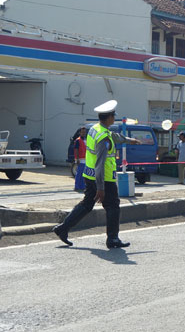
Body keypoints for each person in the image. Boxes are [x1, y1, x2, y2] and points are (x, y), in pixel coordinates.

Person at [53, 100, 141, 248]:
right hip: (103, 178)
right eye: (113, 116)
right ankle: (112, 239)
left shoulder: (96, 128)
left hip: (90, 175)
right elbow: (100, 163)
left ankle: (63, 228)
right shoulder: (103, 138)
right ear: (109, 118)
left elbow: (114, 136)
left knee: (87, 204)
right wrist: (100, 188)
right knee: (113, 206)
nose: (114, 118)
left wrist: (130, 140)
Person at [73, 126, 87, 191]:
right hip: (80, 159)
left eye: (84, 132)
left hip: (85, 159)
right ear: (80, 133)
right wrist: (77, 158)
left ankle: (82, 186)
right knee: (79, 174)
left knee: (83, 174)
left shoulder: (85, 140)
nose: (83, 133)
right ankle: (77, 186)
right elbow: (76, 150)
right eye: (82, 132)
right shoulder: (78, 140)